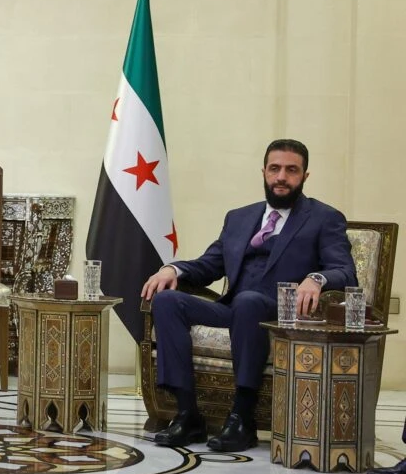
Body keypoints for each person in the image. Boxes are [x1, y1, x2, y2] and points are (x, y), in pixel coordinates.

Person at [142, 139, 355, 452]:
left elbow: (345, 270)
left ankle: (242, 417)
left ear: (305, 176)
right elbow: (209, 265)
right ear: (264, 172)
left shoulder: (324, 218)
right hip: (235, 309)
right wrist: (173, 270)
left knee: (249, 301)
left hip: (278, 315)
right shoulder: (239, 218)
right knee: (166, 300)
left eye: (291, 170)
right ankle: (188, 415)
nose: (281, 176)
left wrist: (317, 278)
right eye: (275, 168)